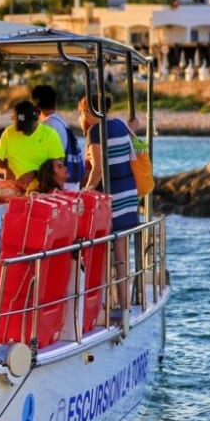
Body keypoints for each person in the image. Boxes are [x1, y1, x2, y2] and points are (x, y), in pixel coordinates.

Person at [79, 95, 138, 311]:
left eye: (81, 112)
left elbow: (98, 169)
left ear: (88, 110)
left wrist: (85, 192)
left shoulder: (95, 131)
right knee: (121, 253)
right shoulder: (120, 124)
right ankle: (124, 303)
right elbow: (134, 154)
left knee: (100, 250)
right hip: (129, 193)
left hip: (112, 196)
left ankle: (100, 305)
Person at [0, 99, 64, 192]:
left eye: (27, 127)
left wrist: (34, 173)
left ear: (36, 118)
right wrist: (7, 169)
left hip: (42, 189)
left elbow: (59, 165)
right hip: (15, 189)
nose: (24, 131)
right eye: (21, 128)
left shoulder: (50, 135)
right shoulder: (9, 132)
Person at [31, 83, 82, 191]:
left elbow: (44, 160)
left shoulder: (47, 126)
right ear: (54, 103)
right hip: (71, 182)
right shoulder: (60, 122)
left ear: (36, 106)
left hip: (59, 185)